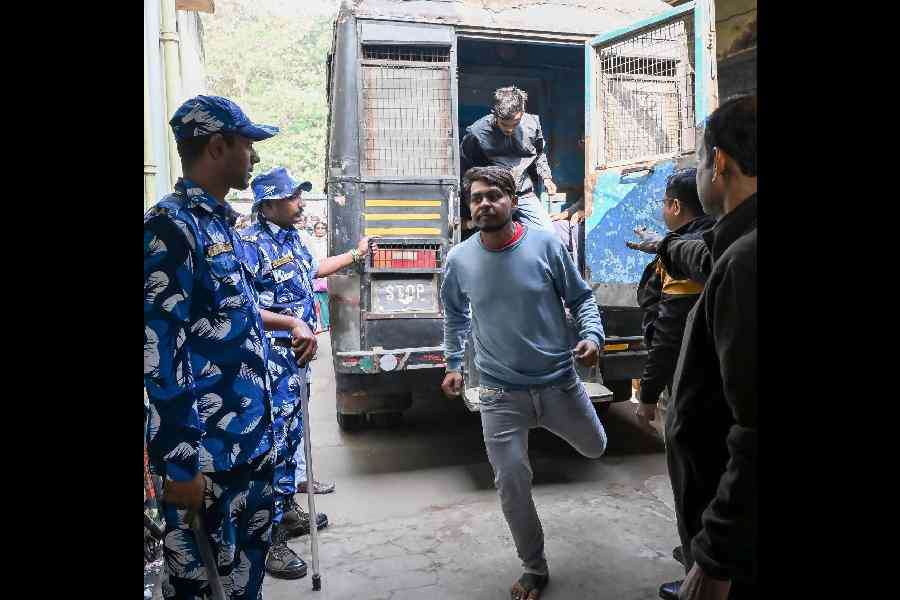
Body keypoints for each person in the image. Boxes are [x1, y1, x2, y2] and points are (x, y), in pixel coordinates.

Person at [144, 95, 318, 599]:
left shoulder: (219, 224)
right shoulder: (170, 228)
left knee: (245, 575)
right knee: (202, 583)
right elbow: (158, 348)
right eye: (248, 146)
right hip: (207, 456)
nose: (255, 159)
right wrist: (180, 463)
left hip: (249, 442)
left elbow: (233, 316)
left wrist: (289, 325)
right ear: (218, 146)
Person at [440, 166, 608, 600]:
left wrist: (592, 336)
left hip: (558, 383)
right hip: (499, 393)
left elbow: (581, 298)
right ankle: (534, 567)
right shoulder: (459, 260)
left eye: (493, 195)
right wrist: (453, 364)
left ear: (512, 201)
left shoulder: (546, 244)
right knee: (512, 478)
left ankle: (548, 423)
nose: (484, 204)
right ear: (469, 205)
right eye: (476, 197)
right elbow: (456, 317)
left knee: (596, 447)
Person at [239, 167, 375, 578]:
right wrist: (290, 325)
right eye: (292, 197)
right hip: (267, 361)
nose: (299, 203)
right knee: (273, 444)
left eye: (299, 196)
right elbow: (242, 308)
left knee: (292, 435)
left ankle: (286, 511)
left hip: (296, 359)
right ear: (268, 204)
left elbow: (312, 271)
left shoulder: (292, 239)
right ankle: (270, 538)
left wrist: (356, 255)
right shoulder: (248, 245)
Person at [656, 96, 758, 600]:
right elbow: (707, 250)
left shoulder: (746, 262)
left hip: (739, 548)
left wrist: (715, 559)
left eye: (699, 161)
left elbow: (756, 431)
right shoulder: (736, 243)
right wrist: (669, 247)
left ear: (718, 162)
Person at [630, 169, 715, 432]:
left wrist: (648, 394)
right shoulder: (713, 239)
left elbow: (670, 331)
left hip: (689, 377)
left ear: (676, 206)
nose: (663, 210)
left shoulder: (679, 259)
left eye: (664, 203)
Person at [459, 86, 557, 232]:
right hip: (493, 195)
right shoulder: (476, 133)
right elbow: (467, 168)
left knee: (548, 234)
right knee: (495, 235)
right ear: (495, 115)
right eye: (504, 124)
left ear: (522, 113)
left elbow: (539, 153)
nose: (510, 129)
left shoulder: (533, 124)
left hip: (521, 195)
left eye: (515, 123)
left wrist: (547, 177)